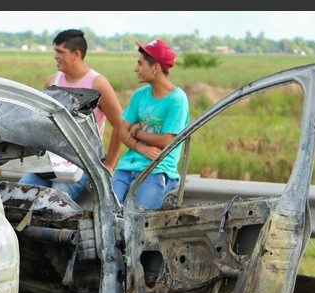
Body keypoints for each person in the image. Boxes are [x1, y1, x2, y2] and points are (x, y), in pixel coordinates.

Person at [18, 29, 124, 201]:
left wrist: (109, 165)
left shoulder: (97, 84)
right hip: (51, 162)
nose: (55, 56)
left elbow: (120, 124)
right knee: (17, 195)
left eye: (60, 51)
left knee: (52, 204)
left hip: (83, 164)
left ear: (76, 54)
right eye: (55, 51)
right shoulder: (52, 81)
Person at [106, 39, 190, 209]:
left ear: (156, 67)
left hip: (157, 169)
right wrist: (141, 147)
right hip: (126, 166)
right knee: (106, 211)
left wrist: (137, 132)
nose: (135, 69)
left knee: (138, 218)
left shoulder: (177, 99)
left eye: (140, 63)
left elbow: (167, 141)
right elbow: (122, 130)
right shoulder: (139, 95)